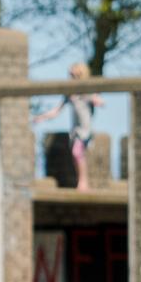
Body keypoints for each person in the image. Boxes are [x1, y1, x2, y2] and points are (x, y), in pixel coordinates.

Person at [32, 62, 105, 192]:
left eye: (74, 74)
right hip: (75, 131)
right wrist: (41, 117)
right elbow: (56, 111)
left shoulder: (87, 90)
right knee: (77, 154)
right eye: (70, 75)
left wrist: (96, 100)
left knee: (77, 152)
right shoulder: (70, 93)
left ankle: (83, 183)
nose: (71, 77)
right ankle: (82, 182)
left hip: (85, 130)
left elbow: (99, 100)